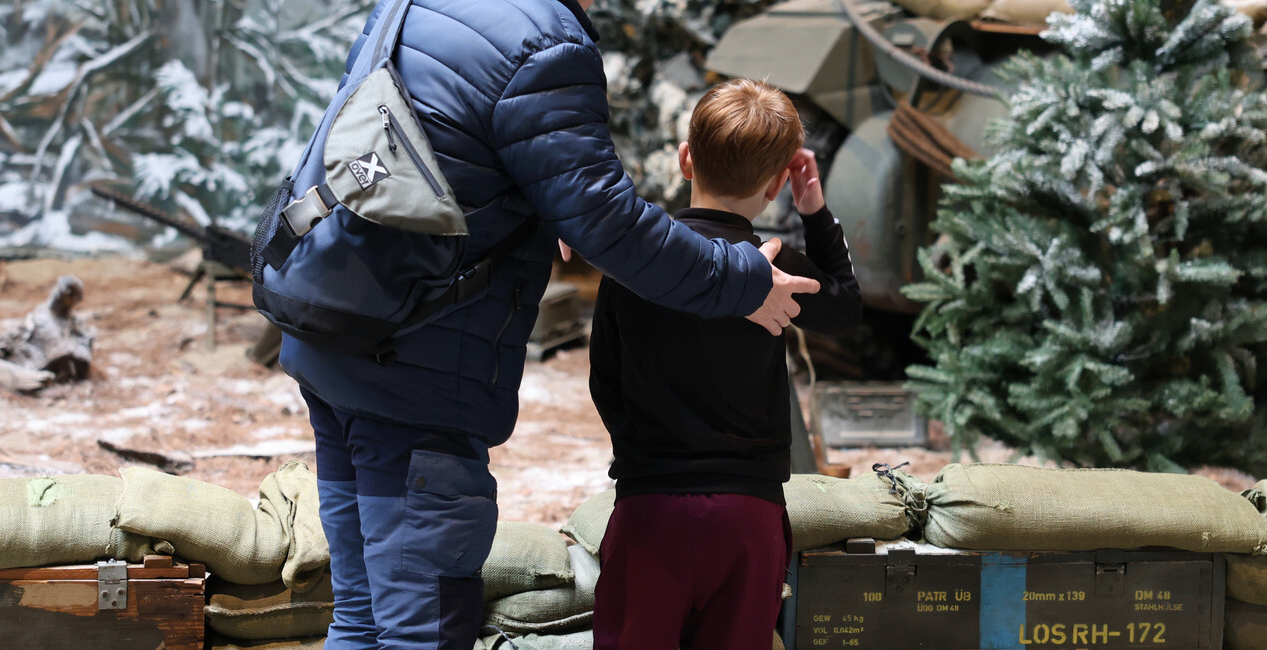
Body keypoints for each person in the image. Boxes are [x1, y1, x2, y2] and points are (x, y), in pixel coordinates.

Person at [278, 1, 824, 649]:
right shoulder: (544, 42)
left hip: (336, 338)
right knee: (417, 630)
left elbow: (425, 137)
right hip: (413, 376)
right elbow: (610, 223)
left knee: (362, 617)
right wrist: (742, 280)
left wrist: (540, 206)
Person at [587, 79, 863, 650]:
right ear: (776, 186)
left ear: (686, 160)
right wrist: (813, 209)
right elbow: (844, 307)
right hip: (749, 517)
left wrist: (645, 450)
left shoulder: (636, 265)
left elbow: (604, 380)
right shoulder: (774, 267)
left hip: (649, 509)